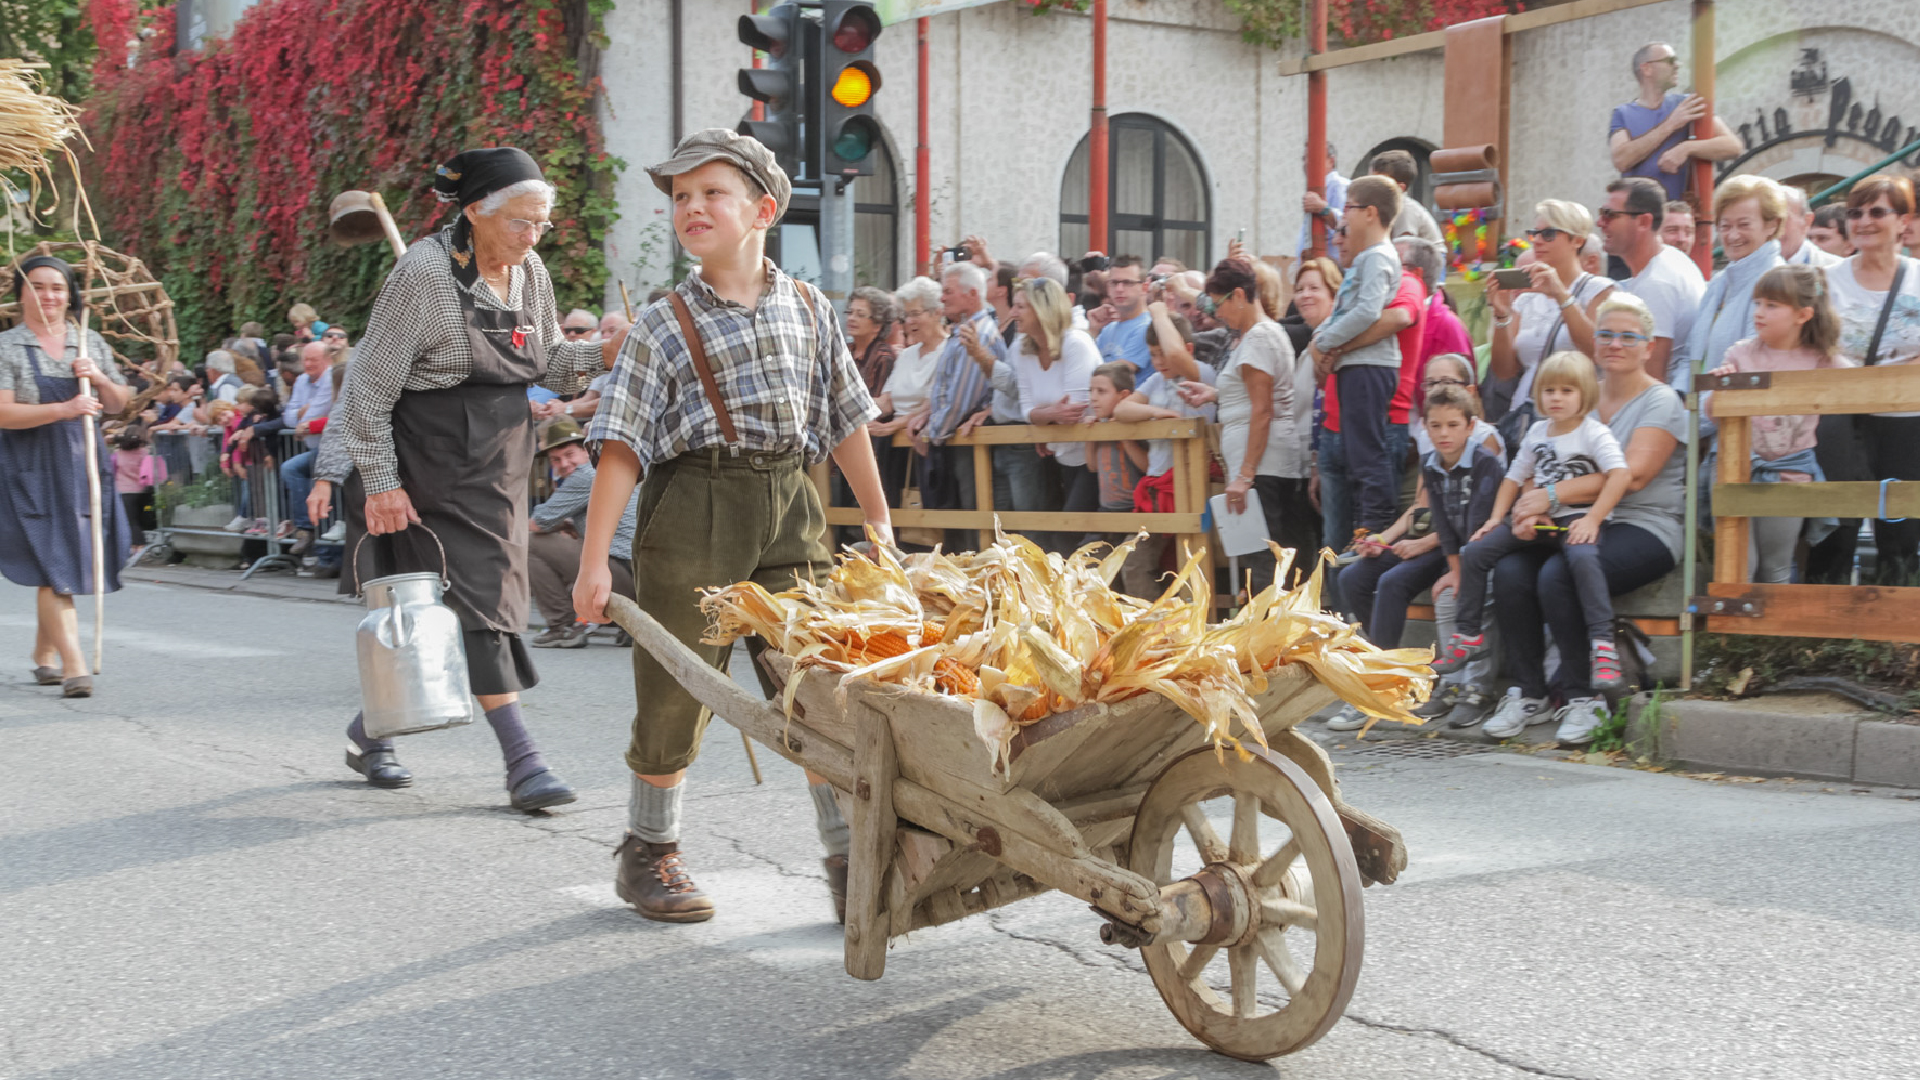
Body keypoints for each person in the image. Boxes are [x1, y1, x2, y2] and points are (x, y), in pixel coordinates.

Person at [574, 129, 892, 925]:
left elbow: (846, 418)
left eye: (711, 192)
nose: (692, 207)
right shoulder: (660, 322)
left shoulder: (811, 306)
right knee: (679, 689)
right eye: (680, 197)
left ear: (763, 209)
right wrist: (593, 565)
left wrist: (879, 519)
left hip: (791, 504)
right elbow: (621, 446)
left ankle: (849, 859)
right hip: (694, 510)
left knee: (814, 686)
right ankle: (649, 853)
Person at [325, 146, 628, 809]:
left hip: (501, 463)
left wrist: (602, 352)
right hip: (428, 463)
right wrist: (380, 482)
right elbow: (367, 392)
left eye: (542, 223)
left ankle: (368, 735)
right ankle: (525, 762)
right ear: (474, 214)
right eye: (522, 222)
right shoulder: (424, 275)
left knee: (458, 613)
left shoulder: (532, 272)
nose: (534, 235)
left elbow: (548, 361)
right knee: (486, 610)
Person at [1487, 294, 1688, 744]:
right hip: (1570, 521)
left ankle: (1583, 698)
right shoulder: (1579, 397)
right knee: (1510, 570)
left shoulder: (1662, 401)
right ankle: (1528, 692)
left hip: (1643, 524)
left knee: (1558, 575)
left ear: (1648, 346)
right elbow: (1535, 462)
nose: (1614, 343)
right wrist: (1525, 509)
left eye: (1627, 336)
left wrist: (1548, 495)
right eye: (1605, 334)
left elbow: (1633, 476)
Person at [1437, 350, 1632, 698]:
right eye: (1549, 390)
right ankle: (1468, 634)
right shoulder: (1538, 432)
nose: (1556, 398)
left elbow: (1619, 475)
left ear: (1585, 395)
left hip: (1576, 517)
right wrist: (1497, 519)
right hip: (1540, 519)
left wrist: (1593, 518)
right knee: (1475, 551)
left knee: (1583, 560)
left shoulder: (1594, 433)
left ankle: (1602, 645)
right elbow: (1513, 478)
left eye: (1567, 391)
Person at [1332, 384, 1504, 730]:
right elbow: (1438, 516)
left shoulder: (1485, 463)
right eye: (1436, 425)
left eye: (1453, 425)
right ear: (1424, 425)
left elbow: (1476, 525)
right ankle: (1386, 677)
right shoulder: (1430, 464)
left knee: (1415, 587)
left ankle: (1398, 686)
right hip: (1448, 546)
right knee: (1358, 577)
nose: (1443, 433)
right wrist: (1386, 538)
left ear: (1471, 426)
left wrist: (1456, 570)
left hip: (1477, 551)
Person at [0, 254, 133, 699]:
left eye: (57, 287)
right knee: (53, 562)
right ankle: (76, 668)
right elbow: (3, 412)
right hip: (29, 467)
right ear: (21, 293)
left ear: (70, 294)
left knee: (63, 562)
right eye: (37, 287)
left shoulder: (87, 339)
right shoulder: (8, 346)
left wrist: (96, 376)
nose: (49, 296)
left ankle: (43, 655)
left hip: (83, 465)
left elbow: (118, 403)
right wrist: (64, 408)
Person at [1806, 174, 1920, 585]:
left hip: (1907, 423)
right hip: (1839, 421)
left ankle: (1896, 638)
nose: (1864, 221)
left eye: (1877, 211)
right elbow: (1811, 348)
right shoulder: (1825, 280)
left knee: (1901, 529)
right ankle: (1823, 632)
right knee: (1836, 525)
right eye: (1856, 212)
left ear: (1904, 221)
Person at [1178, 257, 1312, 596]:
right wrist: (1214, 394)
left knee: (1264, 560)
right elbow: (1256, 397)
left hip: (1262, 467)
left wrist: (1244, 475)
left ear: (1239, 295)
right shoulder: (1263, 334)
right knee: (1269, 558)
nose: (1217, 314)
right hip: (1267, 462)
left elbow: (1262, 410)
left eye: (1218, 304)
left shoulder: (1257, 339)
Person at [1704, 266, 1846, 583]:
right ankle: (1735, 631)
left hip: (1790, 471)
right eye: (1758, 303)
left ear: (1803, 314)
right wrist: (1720, 390)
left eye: (1772, 305)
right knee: (1739, 564)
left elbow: (1862, 387)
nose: (1760, 312)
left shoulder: (1823, 360)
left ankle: (1773, 633)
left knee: (1777, 564)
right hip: (1734, 469)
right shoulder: (1739, 354)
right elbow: (1713, 415)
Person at [1308, 175, 1405, 543]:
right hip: (1355, 366)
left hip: (1370, 367)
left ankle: (1375, 528)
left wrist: (1328, 341)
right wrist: (1323, 337)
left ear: (1370, 213)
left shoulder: (1379, 257)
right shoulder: (1366, 258)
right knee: (1357, 452)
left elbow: (1367, 310)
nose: (1342, 216)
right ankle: (1366, 528)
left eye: (1348, 207)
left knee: (1367, 454)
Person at [1485, 200, 1617, 435]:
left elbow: (1597, 352)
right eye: (1534, 233)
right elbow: (1505, 372)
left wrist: (1561, 296)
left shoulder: (1600, 290)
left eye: (1548, 234)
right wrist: (1501, 315)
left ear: (1577, 240)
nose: (1536, 240)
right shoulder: (1527, 298)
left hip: (1579, 419)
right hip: (1528, 417)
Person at [1112, 312, 1216, 598]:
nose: (1158, 362)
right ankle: (1152, 629)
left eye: (1163, 354)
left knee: (1187, 565)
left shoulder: (1201, 373)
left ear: (1187, 350)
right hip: (1158, 487)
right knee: (1135, 563)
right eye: (1153, 355)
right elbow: (1121, 410)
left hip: (1190, 486)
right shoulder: (1156, 381)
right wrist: (1156, 413)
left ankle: (1183, 629)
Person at [909, 261, 1006, 546]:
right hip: (958, 439)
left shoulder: (980, 334)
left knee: (972, 528)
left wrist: (932, 432)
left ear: (972, 294)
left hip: (967, 440)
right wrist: (928, 416)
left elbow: (962, 400)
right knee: (960, 525)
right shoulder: (963, 330)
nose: (942, 298)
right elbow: (947, 390)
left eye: (948, 291)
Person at [525, 420, 637, 647]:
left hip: (625, 576)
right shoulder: (608, 469)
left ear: (586, 451)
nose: (564, 464)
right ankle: (625, 623)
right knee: (565, 542)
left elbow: (536, 523)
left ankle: (562, 626)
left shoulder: (585, 476)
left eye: (569, 454)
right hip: (638, 577)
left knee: (529, 543)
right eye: (556, 460)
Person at [1671, 174, 1786, 389]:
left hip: (1734, 415)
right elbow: (1690, 355)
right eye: (1725, 226)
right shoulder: (1718, 283)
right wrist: (1681, 399)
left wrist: (1699, 412)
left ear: (1772, 225)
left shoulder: (1778, 283)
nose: (1733, 236)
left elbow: (1755, 368)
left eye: (1744, 225)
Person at [1010, 276, 1100, 551]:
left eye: (1021, 307)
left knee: (1069, 535)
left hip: (1093, 454)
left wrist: (1043, 416)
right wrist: (1050, 414)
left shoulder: (1076, 343)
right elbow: (1025, 409)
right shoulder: (1021, 350)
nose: (1014, 313)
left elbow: (1075, 409)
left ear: (1043, 309)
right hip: (1057, 453)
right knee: (1053, 536)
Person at [1597, 176, 1705, 381]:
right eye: (1602, 213)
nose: (1600, 222)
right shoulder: (1669, 262)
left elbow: (1650, 381)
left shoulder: (1657, 283)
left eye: (1610, 215)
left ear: (1644, 222)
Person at [1608, 42, 1741, 202]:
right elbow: (1621, 160)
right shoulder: (1623, 113)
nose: (1677, 66)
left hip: (1678, 216)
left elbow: (1733, 146)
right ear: (1647, 69)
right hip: (1638, 215)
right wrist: (1671, 124)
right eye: (1670, 61)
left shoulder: (1687, 104)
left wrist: (1686, 148)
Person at [870, 277, 943, 504]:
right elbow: (887, 399)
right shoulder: (908, 354)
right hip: (894, 451)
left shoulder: (948, 351)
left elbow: (931, 404)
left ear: (937, 313)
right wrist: (856, 413)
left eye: (915, 314)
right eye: (906, 315)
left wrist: (890, 427)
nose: (909, 321)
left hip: (925, 448)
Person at [1084, 361, 1146, 548]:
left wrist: (1125, 437)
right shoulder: (1100, 425)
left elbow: (1146, 466)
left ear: (1123, 396)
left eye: (1101, 392)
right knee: (1091, 562)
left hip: (1135, 509)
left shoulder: (1137, 425)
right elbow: (1092, 466)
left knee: (1128, 563)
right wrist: (1089, 436)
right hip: (1106, 509)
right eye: (1091, 391)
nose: (1093, 398)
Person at [1091, 256, 1152, 370]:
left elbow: (1119, 374)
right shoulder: (1108, 328)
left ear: (1144, 287)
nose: (1119, 289)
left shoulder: (1147, 327)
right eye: (1114, 283)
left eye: (1127, 283)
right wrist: (1093, 330)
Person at [1371, 149, 1442, 244]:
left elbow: (1404, 248)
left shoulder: (1405, 209)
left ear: (1399, 188)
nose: (1371, 186)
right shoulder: (1386, 207)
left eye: (1378, 183)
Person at [1298, 142, 1349, 262]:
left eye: (1312, 158)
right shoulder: (1323, 187)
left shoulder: (1339, 185)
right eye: (1304, 158)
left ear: (1331, 161)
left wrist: (1323, 208)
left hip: (1333, 271)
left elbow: (1347, 226)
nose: (1306, 163)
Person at [1780, 185, 1843, 268]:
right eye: (1763, 219)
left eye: (1781, 218)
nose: (1770, 227)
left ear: (1807, 221)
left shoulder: (1838, 270)